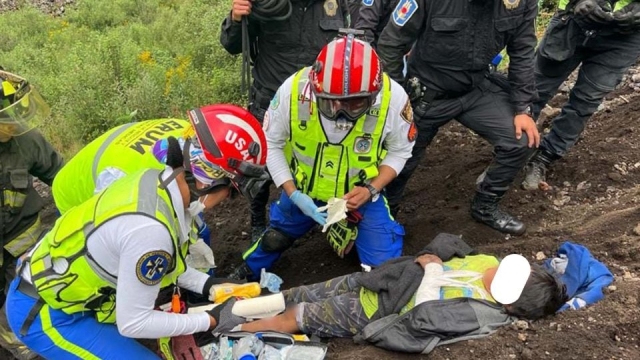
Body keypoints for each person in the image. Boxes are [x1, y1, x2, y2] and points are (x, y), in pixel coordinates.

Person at [4, 105, 268, 359]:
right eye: (229, 191)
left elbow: (170, 265)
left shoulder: (156, 181)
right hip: (47, 315)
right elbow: (134, 323)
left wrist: (211, 287)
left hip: (64, 293)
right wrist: (210, 319)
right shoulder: (151, 231)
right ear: (208, 180)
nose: (224, 200)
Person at [229, 33, 415, 281]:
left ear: (374, 93)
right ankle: (244, 273)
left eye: (354, 104)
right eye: (331, 102)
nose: (340, 113)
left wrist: (371, 189)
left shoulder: (394, 99)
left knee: (384, 272)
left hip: (359, 197)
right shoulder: (293, 91)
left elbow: (401, 150)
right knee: (275, 239)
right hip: (303, 191)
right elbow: (271, 143)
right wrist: (293, 192)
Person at [239, 234, 568, 353]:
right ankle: (236, 310)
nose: (494, 268)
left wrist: (433, 270)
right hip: (381, 280)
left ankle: (227, 327)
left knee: (294, 318)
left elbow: (423, 316)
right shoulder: (491, 262)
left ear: (508, 300)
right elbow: (451, 244)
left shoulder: (480, 310)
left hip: (373, 309)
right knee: (303, 292)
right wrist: (432, 258)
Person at [378, 0, 541, 236]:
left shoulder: (519, 3)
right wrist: (396, 98)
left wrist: (522, 108)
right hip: (428, 91)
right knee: (400, 160)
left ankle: (485, 205)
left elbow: (523, 51)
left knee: (521, 140)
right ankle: (385, 214)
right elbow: (391, 43)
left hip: (476, 87)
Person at [219, 0, 351, 241]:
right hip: (270, 98)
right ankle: (258, 220)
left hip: (317, 101)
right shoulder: (266, 3)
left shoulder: (338, 3)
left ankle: (326, 210)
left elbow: (350, 44)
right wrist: (237, 19)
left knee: (324, 157)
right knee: (259, 169)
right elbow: (232, 45)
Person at [51, 118, 217, 274]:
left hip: (116, 155)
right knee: (111, 262)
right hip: (75, 190)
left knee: (195, 232)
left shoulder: (189, 133)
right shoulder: (123, 181)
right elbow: (111, 229)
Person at [522, 0, 640, 190]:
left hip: (627, 35)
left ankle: (545, 157)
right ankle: (509, 152)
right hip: (576, 18)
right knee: (534, 88)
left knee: (585, 102)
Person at [0, 69, 64, 360]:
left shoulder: (25, 141)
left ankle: (33, 344)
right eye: (6, 120)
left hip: (24, 240)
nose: (14, 125)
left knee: (38, 296)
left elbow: (61, 177)